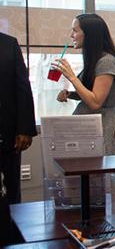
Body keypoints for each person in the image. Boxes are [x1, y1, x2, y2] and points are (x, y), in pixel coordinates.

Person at [53, 13, 115, 155]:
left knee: (97, 176)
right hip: (89, 129)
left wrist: (71, 76)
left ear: (90, 34)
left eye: (75, 30)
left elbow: (96, 102)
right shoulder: (95, 59)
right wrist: (71, 95)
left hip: (101, 130)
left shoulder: (107, 61)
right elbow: (91, 93)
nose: (71, 35)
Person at [0, 32, 37, 245]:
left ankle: (12, 239)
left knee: (10, 192)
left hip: (8, 135)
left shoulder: (8, 43)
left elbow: (22, 87)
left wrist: (25, 129)